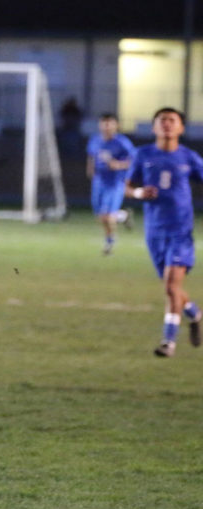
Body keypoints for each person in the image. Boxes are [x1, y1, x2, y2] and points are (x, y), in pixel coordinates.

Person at [125, 107, 203, 357]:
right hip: (154, 232)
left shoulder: (189, 157)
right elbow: (126, 186)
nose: (167, 125)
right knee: (173, 289)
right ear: (154, 127)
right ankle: (195, 313)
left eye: (172, 121)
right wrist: (138, 193)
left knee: (171, 287)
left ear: (181, 128)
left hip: (181, 232)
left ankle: (168, 342)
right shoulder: (143, 155)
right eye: (162, 121)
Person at [86, 113, 136, 254]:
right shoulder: (95, 140)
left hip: (115, 183)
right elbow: (91, 156)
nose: (106, 126)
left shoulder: (122, 142)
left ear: (116, 125)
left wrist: (118, 165)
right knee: (100, 216)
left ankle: (110, 242)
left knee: (107, 216)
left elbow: (134, 161)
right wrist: (90, 170)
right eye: (104, 123)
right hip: (99, 182)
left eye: (110, 123)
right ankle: (124, 215)